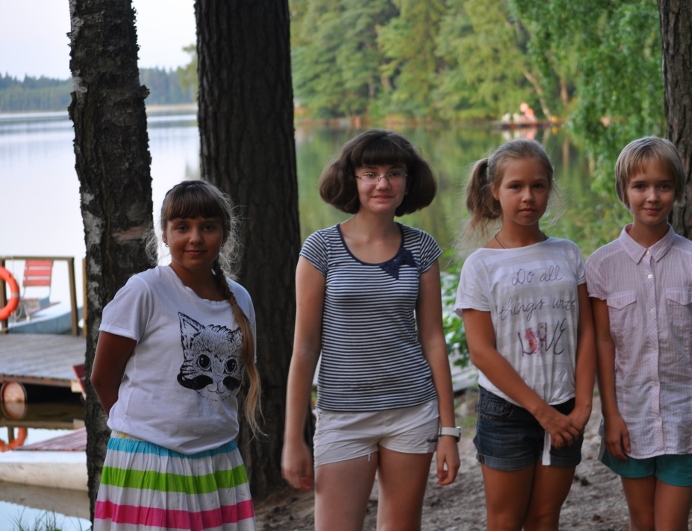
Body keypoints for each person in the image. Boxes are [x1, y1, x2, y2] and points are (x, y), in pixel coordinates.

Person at [281, 129, 460, 530]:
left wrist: (448, 429)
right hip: (342, 415)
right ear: (352, 179)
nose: (383, 183)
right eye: (370, 173)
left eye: (394, 173)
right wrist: (294, 438)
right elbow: (305, 349)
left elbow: (433, 341)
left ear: (408, 181)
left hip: (412, 411)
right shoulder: (321, 248)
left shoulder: (422, 248)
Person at [91, 180, 261, 531]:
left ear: (225, 234)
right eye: (182, 227)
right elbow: (102, 378)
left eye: (208, 227)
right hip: (151, 462)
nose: (195, 238)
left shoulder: (240, 299)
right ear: (166, 235)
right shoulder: (145, 290)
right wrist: (144, 430)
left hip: (217, 461)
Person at [455, 138, 596, 530]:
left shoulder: (568, 253)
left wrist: (583, 404)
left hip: (565, 407)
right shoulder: (481, 265)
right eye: (515, 186)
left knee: (545, 517)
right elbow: (482, 352)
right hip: (507, 412)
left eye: (538, 186)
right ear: (494, 191)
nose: (528, 196)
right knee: (506, 519)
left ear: (550, 188)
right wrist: (542, 412)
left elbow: (586, 332)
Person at [586, 136, 692, 531]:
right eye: (640, 186)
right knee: (641, 522)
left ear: (677, 190)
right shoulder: (601, 266)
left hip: (686, 418)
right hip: (630, 419)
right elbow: (603, 343)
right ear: (623, 190)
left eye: (663, 186)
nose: (652, 196)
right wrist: (610, 414)